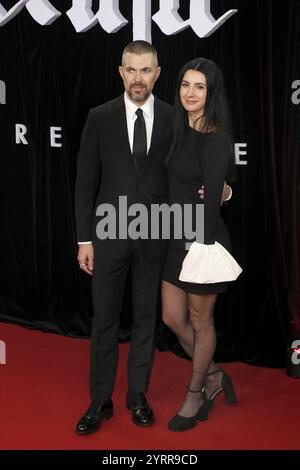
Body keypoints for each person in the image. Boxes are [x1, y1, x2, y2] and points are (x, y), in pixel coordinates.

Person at [74, 41, 231, 435]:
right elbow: (85, 183)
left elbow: (204, 161)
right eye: (131, 70)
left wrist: (227, 189)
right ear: (121, 72)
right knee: (105, 321)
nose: (138, 78)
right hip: (108, 236)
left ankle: (138, 396)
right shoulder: (99, 117)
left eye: (146, 70)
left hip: (155, 237)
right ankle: (100, 400)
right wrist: (83, 239)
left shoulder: (174, 118)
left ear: (158, 73)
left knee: (148, 321)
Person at [162, 58, 242, 432]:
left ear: (211, 94)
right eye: (185, 85)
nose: (190, 93)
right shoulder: (177, 128)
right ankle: (214, 375)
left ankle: (196, 392)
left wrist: (199, 245)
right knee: (172, 318)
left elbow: (211, 199)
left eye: (199, 87)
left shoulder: (215, 138)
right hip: (174, 238)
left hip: (202, 241)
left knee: (199, 319)